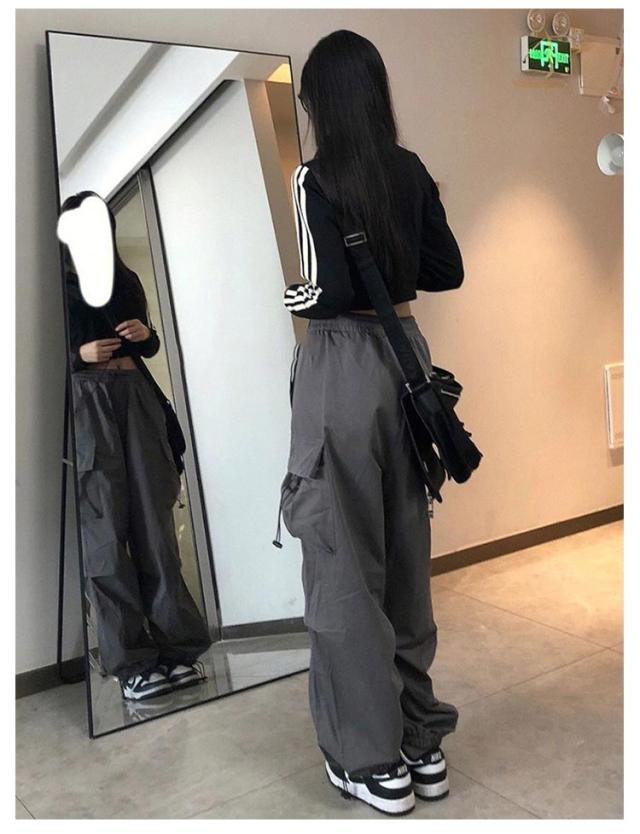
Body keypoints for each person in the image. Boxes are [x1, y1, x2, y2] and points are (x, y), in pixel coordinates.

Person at [277, 30, 462, 815]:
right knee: (403, 554)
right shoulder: (410, 169)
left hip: (342, 367)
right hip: (406, 358)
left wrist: (289, 292)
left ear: (321, 100)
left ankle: (372, 761)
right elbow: (446, 270)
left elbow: (320, 292)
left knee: (342, 563)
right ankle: (422, 747)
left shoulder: (314, 176)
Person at [61, 191, 212, 702]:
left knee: (155, 525)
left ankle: (177, 648)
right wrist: (79, 354)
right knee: (105, 533)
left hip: (136, 395)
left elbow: (147, 346)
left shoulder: (124, 280)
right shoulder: (57, 286)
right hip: (89, 401)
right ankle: (131, 663)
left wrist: (145, 334)